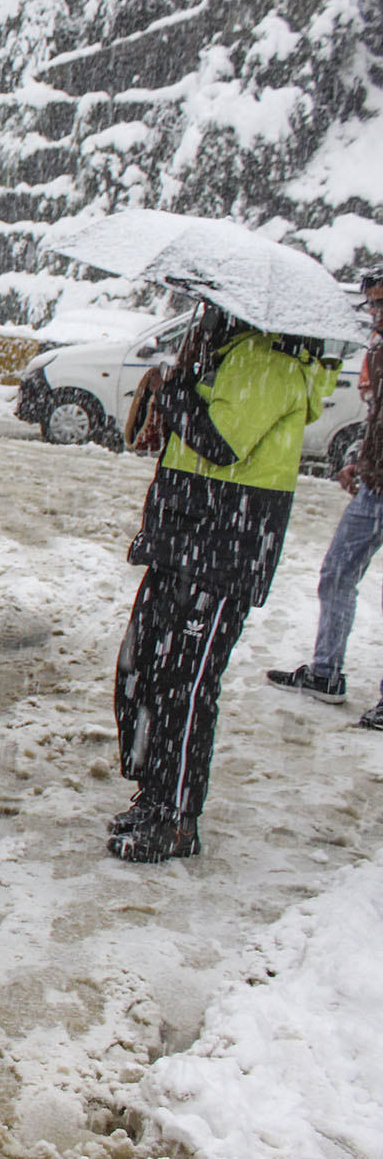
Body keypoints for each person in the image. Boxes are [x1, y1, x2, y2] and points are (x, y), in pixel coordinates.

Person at [110, 303, 338, 862]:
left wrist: (173, 392)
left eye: (216, 307)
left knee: (186, 685)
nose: (208, 315)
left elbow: (220, 442)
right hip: (186, 541)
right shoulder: (232, 354)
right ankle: (156, 793)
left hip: (221, 552)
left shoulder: (272, 365)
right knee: (147, 668)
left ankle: (177, 818)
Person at [266, 269, 383, 726]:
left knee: (338, 574)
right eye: (372, 303)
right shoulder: (378, 349)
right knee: (336, 574)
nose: (374, 312)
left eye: (381, 302)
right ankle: (325, 673)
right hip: (374, 488)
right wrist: (363, 462)